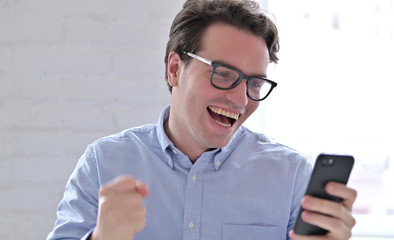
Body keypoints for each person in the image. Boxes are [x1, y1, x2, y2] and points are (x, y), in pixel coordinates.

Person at [47, 0, 357, 239]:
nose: (240, 99)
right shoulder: (105, 163)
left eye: (254, 83)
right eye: (223, 74)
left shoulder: (291, 177)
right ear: (174, 69)